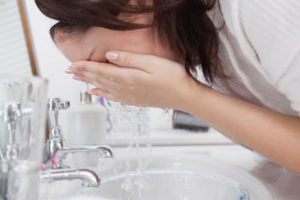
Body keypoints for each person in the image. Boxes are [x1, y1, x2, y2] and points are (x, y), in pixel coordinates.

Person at [35, 0, 300, 173]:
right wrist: (184, 95)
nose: (113, 79)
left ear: (137, 4)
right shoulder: (199, 38)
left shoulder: (256, 7)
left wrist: (188, 96)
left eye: (105, 61)